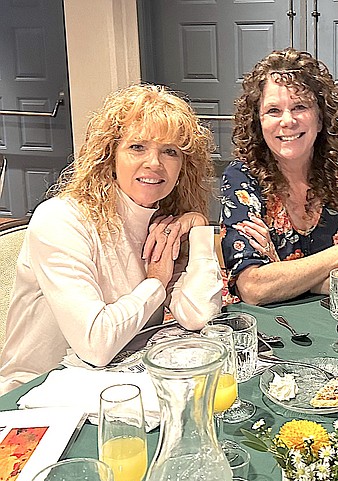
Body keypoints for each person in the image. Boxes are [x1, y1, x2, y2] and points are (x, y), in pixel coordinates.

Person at [0, 84, 223, 395]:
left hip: (121, 382)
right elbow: (96, 343)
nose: (154, 163)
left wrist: (198, 228)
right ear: (110, 155)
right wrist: (156, 283)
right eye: (137, 147)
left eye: (169, 151)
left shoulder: (162, 221)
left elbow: (199, 315)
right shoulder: (62, 219)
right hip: (41, 395)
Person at [220, 48, 338, 305]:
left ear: (320, 117)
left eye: (300, 106)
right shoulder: (242, 177)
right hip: (274, 332)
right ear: (258, 121)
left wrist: (282, 275)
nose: (287, 121)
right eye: (273, 110)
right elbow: (252, 288)